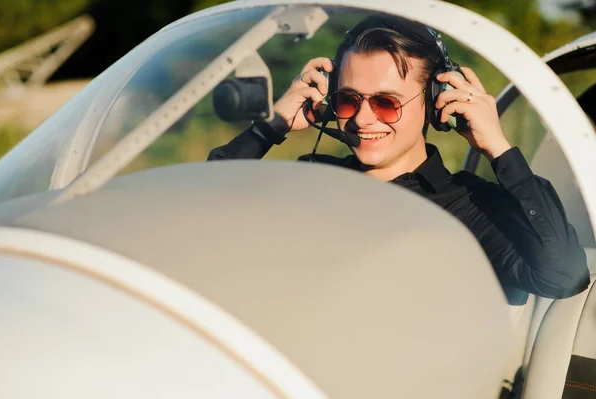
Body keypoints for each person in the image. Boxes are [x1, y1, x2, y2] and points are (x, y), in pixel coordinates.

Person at [208, 14, 590, 303]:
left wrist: (497, 147)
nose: (362, 118)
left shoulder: (471, 206)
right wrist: (269, 128)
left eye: (386, 102)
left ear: (432, 102)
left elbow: (563, 276)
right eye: (348, 99)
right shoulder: (314, 178)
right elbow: (200, 215)